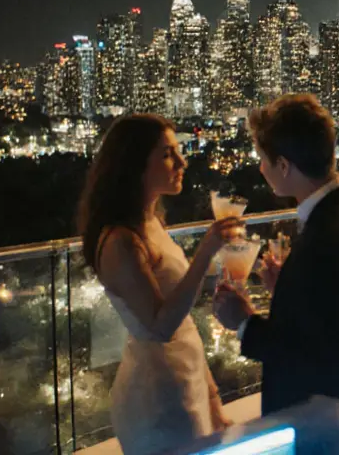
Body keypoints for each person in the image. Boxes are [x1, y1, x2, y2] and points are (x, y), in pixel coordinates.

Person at [212, 94, 339, 448]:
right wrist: (286, 288)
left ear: (284, 165)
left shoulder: (327, 234)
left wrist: (244, 321)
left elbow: (307, 355)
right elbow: (332, 317)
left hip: (320, 424)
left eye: (263, 159)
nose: (260, 168)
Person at [78, 114, 244, 455]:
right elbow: (161, 325)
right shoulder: (119, 241)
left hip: (183, 378)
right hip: (158, 396)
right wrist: (206, 252)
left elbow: (180, 320)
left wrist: (210, 392)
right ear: (135, 164)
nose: (182, 161)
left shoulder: (150, 222)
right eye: (168, 153)